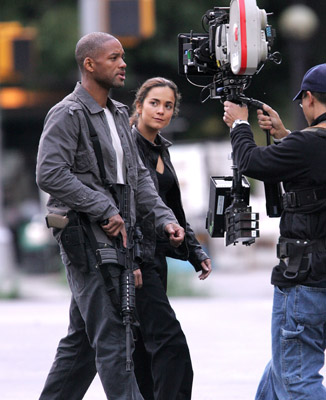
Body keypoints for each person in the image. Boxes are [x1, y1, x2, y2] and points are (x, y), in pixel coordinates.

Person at [36, 32, 186, 400]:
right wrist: (103, 207)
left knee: (83, 345)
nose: (123, 64)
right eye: (114, 58)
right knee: (116, 336)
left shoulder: (119, 114)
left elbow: (138, 180)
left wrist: (166, 219)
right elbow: (49, 173)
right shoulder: (67, 113)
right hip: (86, 241)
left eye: (122, 57)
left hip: (118, 240)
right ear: (90, 64)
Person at [223, 63, 326, 400]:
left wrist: (239, 124)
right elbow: (310, 159)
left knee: (296, 379)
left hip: (306, 280)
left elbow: (253, 163)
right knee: (283, 368)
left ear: (310, 98)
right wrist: (285, 136)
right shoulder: (308, 145)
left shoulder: (309, 146)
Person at [129, 77, 212, 400]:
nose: (161, 111)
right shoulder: (126, 149)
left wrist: (195, 252)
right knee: (169, 344)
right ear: (138, 106)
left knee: (145, 348)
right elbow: (126, 207)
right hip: (135, 260)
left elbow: (172, 210)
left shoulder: (162, 149)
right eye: (154, 103)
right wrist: (132, 259)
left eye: (168, 106)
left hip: (156, 258)